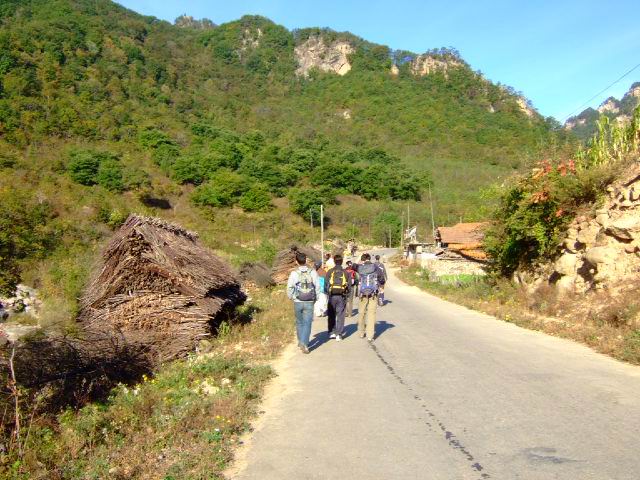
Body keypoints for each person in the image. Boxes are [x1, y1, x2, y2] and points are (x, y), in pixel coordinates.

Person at [287, 252, 321, 354]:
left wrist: (291, 297)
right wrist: (316, 298)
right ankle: (304, 343)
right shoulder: (312, 272)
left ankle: (300, 341)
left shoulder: (294, 273)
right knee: (307, 323)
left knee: (299, 322)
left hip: (298, 300)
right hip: (309, 301)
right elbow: (317, 286)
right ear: (306, 260)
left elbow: (290, 287)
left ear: (296, 262)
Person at [357, 253, 386, 341]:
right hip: (373, 293)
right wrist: (380, 285)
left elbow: (354, 271)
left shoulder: (360, 267)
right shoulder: (375, 267)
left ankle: (361, 332)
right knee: (371, 314)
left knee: (361, 313)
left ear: (362, 259)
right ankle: (370, 335)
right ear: (370, 259)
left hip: (362, 294)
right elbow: (382, 279)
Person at [324, 254, 351, 340]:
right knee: (340, 315)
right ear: (342, 262)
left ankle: (332, 332)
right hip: (341, 296)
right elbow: (349, 286)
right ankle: (339, 334)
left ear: (334, 262)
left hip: (332, 296)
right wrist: (347, 295)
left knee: (331, 314)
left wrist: (327, 293)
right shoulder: (346, 272)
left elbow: (325, 284)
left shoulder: (330, 271)